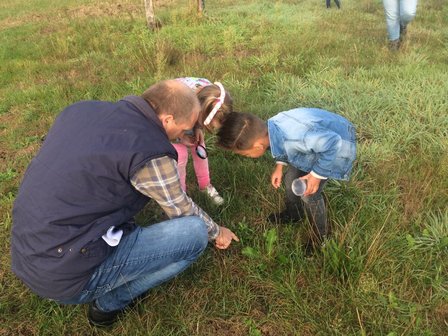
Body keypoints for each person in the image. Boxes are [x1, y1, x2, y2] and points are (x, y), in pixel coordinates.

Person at [10, 80, 239, 327]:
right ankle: (108, 304)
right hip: (63, 274)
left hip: (26, 251)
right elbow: (181, 209)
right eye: (185, 128)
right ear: (168, 120)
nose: (186, 135)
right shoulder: (152, 153)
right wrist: (217, 231)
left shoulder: (81, 110)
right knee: (194, 234)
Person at [216, 109, 356, 254]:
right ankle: (294, 214)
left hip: (337, 143)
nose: (247, 157)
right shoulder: (270, 129)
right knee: (290, 179)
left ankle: (320, 238)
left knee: (309, 195)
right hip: (315, 144)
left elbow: (333, 142)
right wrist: (280, 165)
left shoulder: (297, 137)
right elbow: (280, 144)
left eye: (246, 154)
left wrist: (316, 175)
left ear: (258, 146)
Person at [173, 77, 233, 205]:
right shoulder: (180, 102)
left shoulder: (210, 97)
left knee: (200, 149)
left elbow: (203, 116)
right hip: (169, 125)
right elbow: (167, 125)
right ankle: (180, 195)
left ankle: (205, 185)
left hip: (190, 117)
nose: (210, 129)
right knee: (181, 156)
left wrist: (198, 128)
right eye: (209, 125)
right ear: (201, 112)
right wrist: (180, 137)